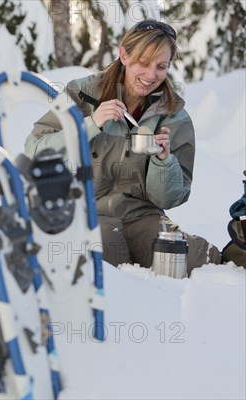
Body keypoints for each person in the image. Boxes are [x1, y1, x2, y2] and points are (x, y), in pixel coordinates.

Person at [24, 19, 222, 273]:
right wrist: (91, 124)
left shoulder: (174, 116)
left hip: (143, 217)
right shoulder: (82, 94)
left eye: (161, 67)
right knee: (111, 255)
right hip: (86, 214)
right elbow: (35, 149)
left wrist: (164, 161)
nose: (151, 76)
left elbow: (172, 197)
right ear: (124, 55)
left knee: (193, 257)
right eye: (144, 63)